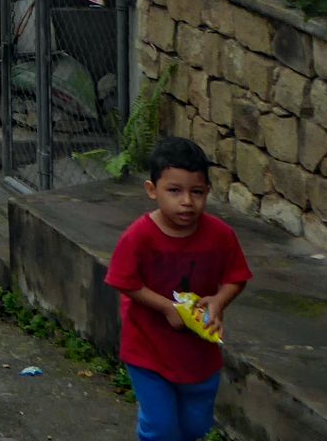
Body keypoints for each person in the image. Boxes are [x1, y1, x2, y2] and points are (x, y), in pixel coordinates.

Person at [105, 136, 252, 441]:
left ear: (207, 192)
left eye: (196, 192)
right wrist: (166, 307)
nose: (187, 201)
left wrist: (219, 302)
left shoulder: (221, 235)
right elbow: (123, 281)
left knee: (196, 427)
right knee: (160, 427)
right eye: (174, 191)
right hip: (147, 350)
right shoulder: (139, 237)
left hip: (199, 353)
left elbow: (236, 276)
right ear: (152, 190)